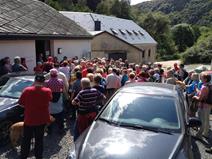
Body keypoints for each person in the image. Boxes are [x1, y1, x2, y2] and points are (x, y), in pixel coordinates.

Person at [18, 74, 52, 159]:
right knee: (39, 139)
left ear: (35, 81)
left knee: (26, 139)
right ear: (43, 82)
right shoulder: (47, 90)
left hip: (29, 118)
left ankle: (23, 156)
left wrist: (29, 106)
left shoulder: (27, 90)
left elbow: (21, 104)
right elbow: (49, 100)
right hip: (42, 119)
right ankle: (39, 156)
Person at [45, 69, 65, 134]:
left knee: (50, 114)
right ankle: (61, 128)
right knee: (60, 113)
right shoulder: (61, 81)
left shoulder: (47, 82)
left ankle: (49, 129)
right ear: (57, 75)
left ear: (50, 75)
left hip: (50, 98)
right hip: (58, 97)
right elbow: (62, 89)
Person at [192, 73, 211, 139]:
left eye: (202, 78)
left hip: (203, 106)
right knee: (206, 120)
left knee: (201, 121)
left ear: (205, 79)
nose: (200, 79)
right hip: (209, 105)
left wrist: (194, 97)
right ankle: (206, 133)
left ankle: (199, 135)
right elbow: (203, 93)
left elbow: (200, 98)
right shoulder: (209, 85)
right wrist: (197, 89)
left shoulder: (204, 87)